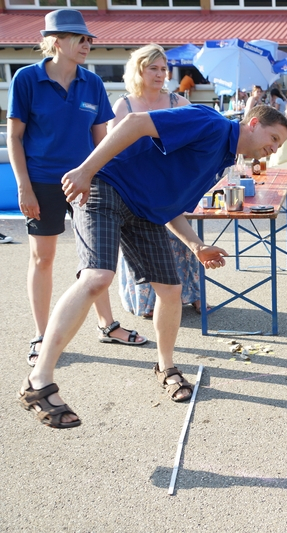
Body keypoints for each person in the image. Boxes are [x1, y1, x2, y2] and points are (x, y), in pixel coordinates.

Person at [18, 104, 287, 428]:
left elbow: (170, 207)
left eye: (279, 145)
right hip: (106, 186)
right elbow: (135, 122)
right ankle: (39, 380)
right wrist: (86, 170)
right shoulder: (213, 124)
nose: (274, 149)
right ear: (254, 123)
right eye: (274, 138)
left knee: (172, 291)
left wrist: (196, 246)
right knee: (97, 277)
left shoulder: (224, 160)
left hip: (145, 213)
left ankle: (165, 367)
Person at [7, 9, 146, 369]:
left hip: (87, 181)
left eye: (88, 39)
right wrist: (24, 188)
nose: (86, 45)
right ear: (55, 41)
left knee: (95, 260)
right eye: (79, 39)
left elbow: (102, 142)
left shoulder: (92, 83)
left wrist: (110, 181)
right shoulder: (26, 79)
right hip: (41, 182)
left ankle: (107, 325)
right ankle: (42, 335)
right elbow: (15, 137)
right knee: (43, 258)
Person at [110, 44, 206, 320]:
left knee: (183, 243)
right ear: (138, 70)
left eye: (163, 69)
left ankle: (195, 295)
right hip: (134, 187)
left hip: (171, 185)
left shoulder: (179, 103)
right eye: (153, 68)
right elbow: (112, 149)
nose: (160, 74)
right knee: (142, 244)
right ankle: (147, 302)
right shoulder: (123, 105)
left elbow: (196, 142)